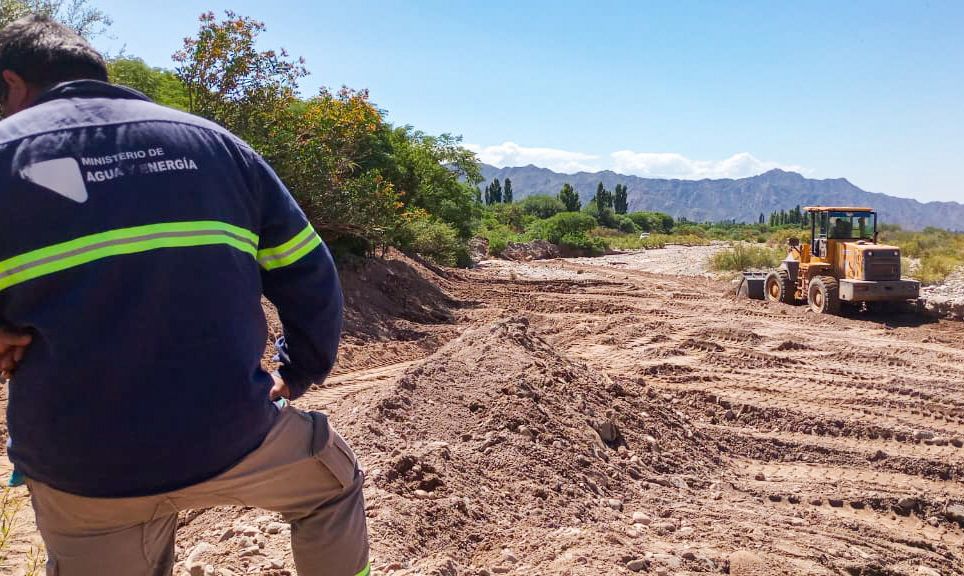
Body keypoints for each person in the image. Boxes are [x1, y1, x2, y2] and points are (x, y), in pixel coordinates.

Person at [0, 15, 369, 576]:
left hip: (79, 464)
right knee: (330, 483)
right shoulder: (218, 147)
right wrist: (298, 371)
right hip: (228, 433)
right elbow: (310, 273)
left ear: (10, 83)